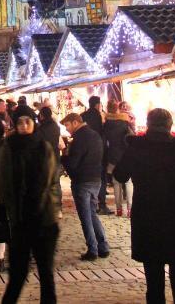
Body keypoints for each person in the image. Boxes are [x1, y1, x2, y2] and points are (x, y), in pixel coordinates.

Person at [114, 108, 175, 304]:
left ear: (149, 124)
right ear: (170, 126)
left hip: (147, 216)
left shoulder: (136, 148)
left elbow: (120, 175)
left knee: (154, 283)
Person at [0, 107, 59, 304]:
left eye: (28, 122)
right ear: (15, 125)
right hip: (20, 221)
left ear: (34, 123)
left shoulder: (44, 147)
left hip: (44, 219)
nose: (24, 126)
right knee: (17, 274)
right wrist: (12, 212)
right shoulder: (8, 147)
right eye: (20, 122)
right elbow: (4, 183)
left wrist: (54, 209)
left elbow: (51, 182)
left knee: (46, 274)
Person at [61, 112, 110, 261]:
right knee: (92, 213)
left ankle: (92, 249)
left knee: (86, 217)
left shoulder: (79, 139)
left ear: (75, 122)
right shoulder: (95, 135)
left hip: (82, 181)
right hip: (96, 179)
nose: (67, 129)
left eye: (67, 125)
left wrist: (63, 155)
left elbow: (73, 164)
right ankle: (103, 246)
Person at [103, 100, 134, 217]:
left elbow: (105, 141)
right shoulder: (124, 122)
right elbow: (131, 137)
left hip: (112, 155)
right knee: (128, 181)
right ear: (117, 109)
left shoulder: (106, 124)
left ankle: (119, 209)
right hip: (125, 155)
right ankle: (130, 209)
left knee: (116, 183)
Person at [82, 95, 111, 214]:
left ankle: (89, 203)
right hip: (99, 150)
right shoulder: (99, 116)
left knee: (88, 177)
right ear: (97, 104)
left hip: (86, 150)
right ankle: (102, 204)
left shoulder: (83, 115)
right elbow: (101, 133)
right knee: (101, 177)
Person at [38, 105, 62, 214]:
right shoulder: (55, 126)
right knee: (56, 183)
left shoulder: (41, 128)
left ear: (42, 115)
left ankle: (48, 206)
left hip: (44, 158)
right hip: (55, 157)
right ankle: (58, 208)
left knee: (45, 182)